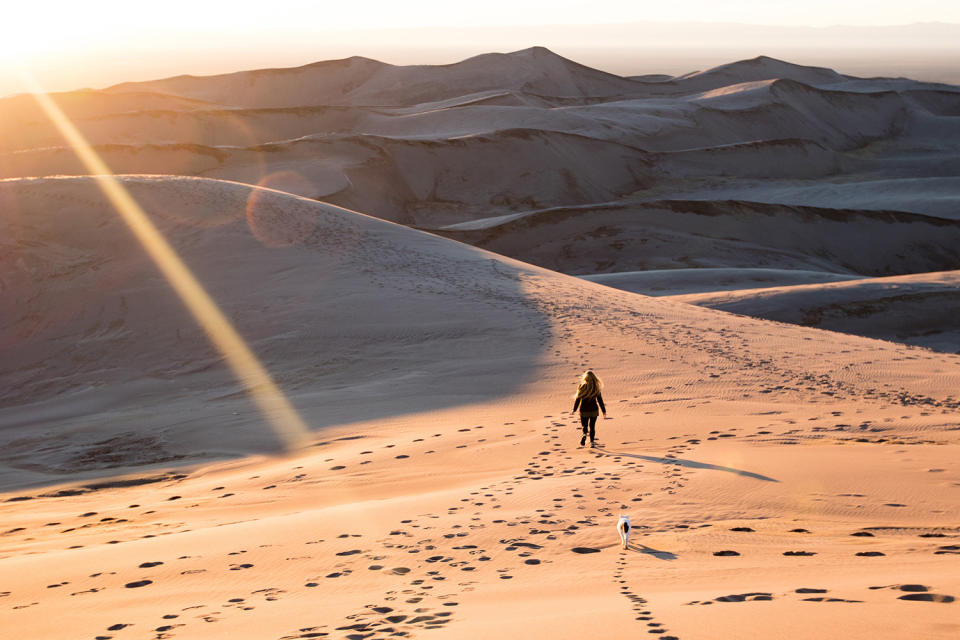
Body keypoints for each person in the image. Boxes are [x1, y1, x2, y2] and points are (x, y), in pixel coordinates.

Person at [572, 370, 607, 447]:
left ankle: (584, 434)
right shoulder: (596, 388)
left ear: (586, 378)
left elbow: (578, 399)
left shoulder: (582, 387)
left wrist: (574, 409)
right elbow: (600, 401)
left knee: (584, 425)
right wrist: (604, 411)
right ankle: (592, 442)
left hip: (584, 410)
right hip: (593, 410)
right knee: (592, 426)